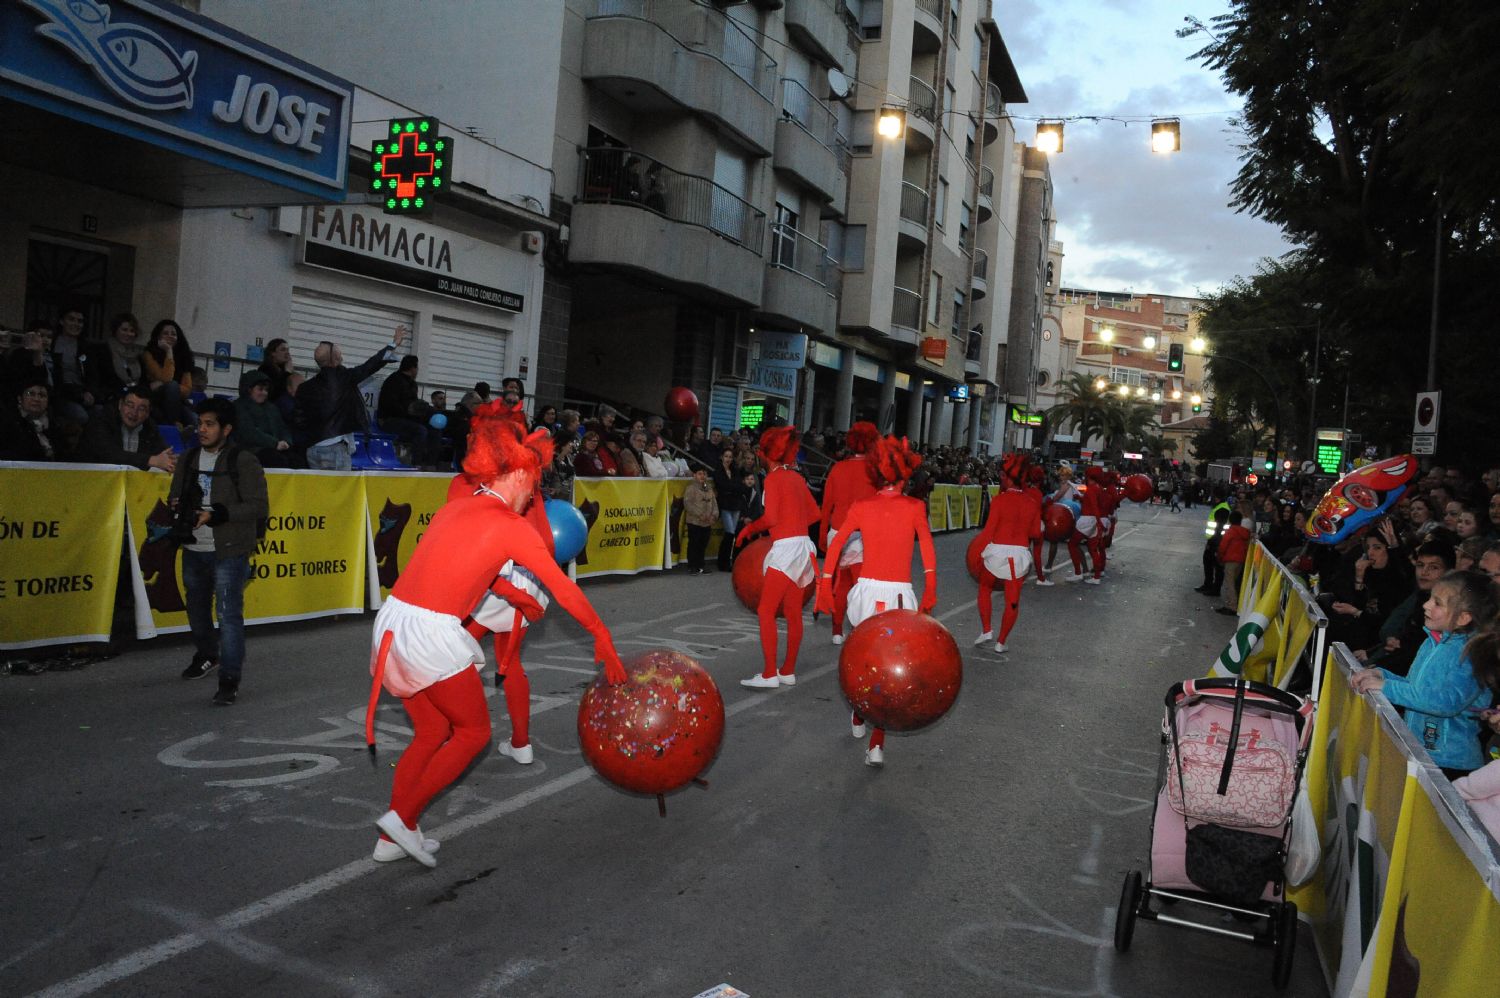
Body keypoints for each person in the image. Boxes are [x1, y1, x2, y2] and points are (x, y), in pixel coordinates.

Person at [365, 412, 625, 866]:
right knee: (473, 732)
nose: (533, 492)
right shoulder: (511, 525)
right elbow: (563, 588)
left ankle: (391, 841)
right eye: (535, 480)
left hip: (393, 621)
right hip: (429, 633)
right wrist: (601, 635)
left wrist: (510, 594)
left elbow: (464, 567)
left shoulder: (457, 506)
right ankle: (401, 819)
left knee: (430, 732)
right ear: (521, 473)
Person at [816, 435, 937, 767]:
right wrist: (930, 587)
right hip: (899, 595)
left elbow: (836, 545)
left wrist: (826, 584)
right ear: (904, 474)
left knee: (864, 659)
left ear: (876, 473)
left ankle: (859, 712)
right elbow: (927, 549)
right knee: (889, 667)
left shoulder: (862, 507)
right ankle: (876, 741)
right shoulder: (915, 507)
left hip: (867, 594)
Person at [168, 398, 268, 706]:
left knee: (228, 615)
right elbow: (174, 494)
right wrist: (179, 506)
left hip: (229, 548)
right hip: (193, 546)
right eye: (200, 424)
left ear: (226, 429)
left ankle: (229, 679)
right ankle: (207, 655)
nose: (202, 429)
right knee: (196, 609)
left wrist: (216, 514)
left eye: (209, 424)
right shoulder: (188, 459)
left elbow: (258, 506)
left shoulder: (243, 460)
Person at [1350, 571, 1497, 779]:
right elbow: (1416, 689)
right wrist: (1383, 676)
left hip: (1449, 764)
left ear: (1463, 617)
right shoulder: (1432, 641)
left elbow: (1444, 702)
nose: (1426, 605)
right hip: (1421, 753)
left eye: (1437, 603)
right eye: (1429, 599)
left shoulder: (1470, 654)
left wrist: (1386, 687)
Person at [735, 426, 820, 689]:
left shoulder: (772, 479)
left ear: (767, 454)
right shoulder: (795, 477)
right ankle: (788, 670)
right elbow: (815, 514)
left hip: (785, 549)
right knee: (794, 611)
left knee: (766, 610)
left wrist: (749, 529)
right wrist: (793, 525)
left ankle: (770, 673)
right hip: (804, 547)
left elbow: (770, 518)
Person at [295, 324, 408, 470]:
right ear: (334, 360)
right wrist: (393, 344)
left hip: (312, 450)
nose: (342, 355)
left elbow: (299, 421)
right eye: (339, 353)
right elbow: (370, 365)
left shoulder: (305, 387)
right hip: (335, 448)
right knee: (341, 492)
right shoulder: (344, 378)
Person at [973, 454, 1042, 654]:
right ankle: (1001, 642)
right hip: (1019, 555)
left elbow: (988, 532)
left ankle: (987, 630)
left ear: (1008, 478)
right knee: (1013, 600)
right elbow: (1036, 534)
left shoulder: (1000, 501)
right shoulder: (1031, 503)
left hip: (997, 553)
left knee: (984, 588)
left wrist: (978, 553)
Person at [818, 422, 879, 645]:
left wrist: (823, 534)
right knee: (860, 585)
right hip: (863, 533)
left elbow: (826, 506)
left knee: (841, 583)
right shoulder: (875, 471)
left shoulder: (837, 468)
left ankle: (836, 630)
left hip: (838, 531)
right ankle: (857, 629)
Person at [1354, 539, 1453, 675]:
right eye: (1420, 565)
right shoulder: (1419, 596)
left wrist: (1378, 669)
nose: (1424, 572)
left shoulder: (1449, 608)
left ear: (1449, 572)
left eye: (1434, 567)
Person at [74, 384, 175, 472]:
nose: (134, 413)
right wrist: (150, 460)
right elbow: (109, 454)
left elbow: (162, 453)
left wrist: (170, 462)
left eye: (141, 409)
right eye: (130, 405)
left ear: (148, 413)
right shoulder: (101, 420)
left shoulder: (150, 428)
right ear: (120, 405)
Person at [377, 355, 441, 469]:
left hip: (406, 418)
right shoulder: (393, 381)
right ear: (412, 368)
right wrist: (410, 412)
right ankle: (416, 464)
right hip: (389, 420)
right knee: (420, 430)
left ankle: (431, 463)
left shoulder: (412, 384)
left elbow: (414, 405)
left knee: (434, 427)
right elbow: (391, 406)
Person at [142, 319, 198, 430]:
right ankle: (175, 426)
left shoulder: (184, 357)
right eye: (165, 333)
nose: (170, 336)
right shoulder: (148, 354)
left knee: (194, 419)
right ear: (158, 336)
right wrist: (169, 351)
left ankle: (183, 435)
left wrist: (170, 387)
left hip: (176, 400)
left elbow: (187, 390)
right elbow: (166, 377)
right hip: (154, 398)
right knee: (172, 386)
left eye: (173, 334)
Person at [233, 370, 296, 468]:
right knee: (277, 460)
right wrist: (275, 443)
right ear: (249, 389)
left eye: (266, 390)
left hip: (275, 448)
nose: (264, 393)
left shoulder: (271, 408)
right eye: (260, 389)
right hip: (250, 450)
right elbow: (248, 432)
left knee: (296, 460)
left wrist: (287, 441)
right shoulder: (238, 407)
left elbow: (282, 428)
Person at [0, 382, 62, 461]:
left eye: (42, 395)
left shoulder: (55, 427)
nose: (36, 399)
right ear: (20, 399)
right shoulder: (7, 423)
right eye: (31, 394)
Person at [91, 313, 145, 403]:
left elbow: (143, 380)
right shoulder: (103, 350)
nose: (128, 334)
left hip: (137, 398)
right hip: (112, 397)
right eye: (124, 330)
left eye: (132, 331)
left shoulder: (138, 354)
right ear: (115, 330)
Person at [712, 448, 745, 572]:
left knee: (732, 534)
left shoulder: (735, 471)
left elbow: (740, 486)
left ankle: (726, 561)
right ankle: (723, 562)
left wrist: (731, 488)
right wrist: (732, 488)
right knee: (729, 533)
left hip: (735, 505)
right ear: (722, 457)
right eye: (726, 456)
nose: (728, 459)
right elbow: (722, 485)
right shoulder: (718, 471)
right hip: (725, 505)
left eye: (730, 457)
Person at [681, 466, 718, 574]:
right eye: (700, 473)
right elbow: (687, 504)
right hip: (694, 521)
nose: (702, 476)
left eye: (704, 474)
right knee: (694, 543)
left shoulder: (709, 488)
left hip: (707, 522)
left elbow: (714, 503)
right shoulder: (691, 488)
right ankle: (692, 565)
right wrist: (699, 514)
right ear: (694, 475)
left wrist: (714, 515)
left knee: (703, 544)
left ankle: (701, 565)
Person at [256, 337, 303, 423]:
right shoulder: (265, 369)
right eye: (283, 350)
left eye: (287, 350)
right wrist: (287, 373)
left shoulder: (283, 369)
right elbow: (275, 390)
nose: (287, 353)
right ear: (273, 353)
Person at [1215, 511, 1252, 615]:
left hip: (1230, 559)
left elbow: (1223, 546)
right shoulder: (1245, 533)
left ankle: (1231, 606)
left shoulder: (1231, 531)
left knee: (1229, 583)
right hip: (1240, 560)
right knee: (1233, 582)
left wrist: (1220, 557)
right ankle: (1233, 604)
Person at [1197, 505, 1230, 597]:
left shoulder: (1221, 526)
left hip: (1215, 546)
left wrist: (1210, 545)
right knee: (1214, 568)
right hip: (1215, 545)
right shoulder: (1225, 525)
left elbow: (1216, 537)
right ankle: (1211, 586)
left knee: (1216, 568)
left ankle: (1213, 588)